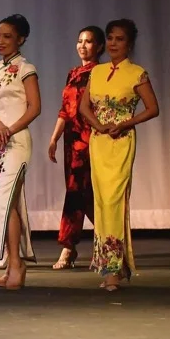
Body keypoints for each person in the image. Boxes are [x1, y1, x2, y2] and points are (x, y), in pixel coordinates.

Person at [79, 19, 160, 292]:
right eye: (111, 38)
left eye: (120, 39)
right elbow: (84, 107)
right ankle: (110, 265)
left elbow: (152, 108)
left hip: (121, 142)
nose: (113, 43)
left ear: (130, 43)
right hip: (99, 141)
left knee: (114, 201)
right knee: (101, 203)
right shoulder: (97, 71)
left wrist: (126, 123)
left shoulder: (137, 73)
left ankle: (113, 269)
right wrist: (98, 125)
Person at [0, 14, 41, 290]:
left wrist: (11, 128)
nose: (0, 41)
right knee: (4, 204)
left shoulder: (26, 68)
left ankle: (16, 263)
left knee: (7, 201)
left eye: (7, 36)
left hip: (16, 142)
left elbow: (35, 107)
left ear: (21, 39)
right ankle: (13, 262)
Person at [44, 26, 104, 269]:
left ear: (99, 46)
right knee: (81, 193)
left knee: (79, 192)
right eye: (80, 41)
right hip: (72, 140)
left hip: (90, 138)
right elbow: (65, 110)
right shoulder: (73, 73)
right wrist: (54, 138)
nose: (83, 45)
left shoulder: (100, 72)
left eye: (88, 41)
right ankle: (108, 238)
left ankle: (69, 247)